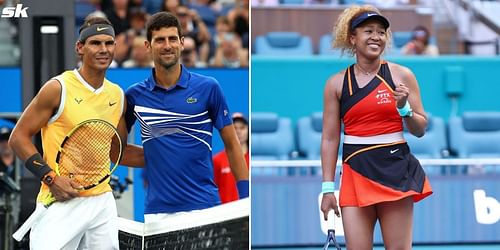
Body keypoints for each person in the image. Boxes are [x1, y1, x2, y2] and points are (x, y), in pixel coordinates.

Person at [8, 15, 143, 249]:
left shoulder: (117, 95)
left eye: (109, 43)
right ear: (80, 48)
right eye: (96, 43)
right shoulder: (57, 88)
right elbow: (18, 138)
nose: (104, 49)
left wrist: (170, 155)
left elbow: (115, 153)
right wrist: (51, 179)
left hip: (101, 203)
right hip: (61, 201)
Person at [319, 5, 433, 250]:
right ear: (352, 38)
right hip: (355, 174)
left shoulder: (402, 75)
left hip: (396, 172)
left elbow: (420, 128)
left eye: (381, 32)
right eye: (368, 31)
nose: (376, 37)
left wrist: (404, 108)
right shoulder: (336, 84)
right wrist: (328, 189)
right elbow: (329, 139)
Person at [125, 12, 249, 223]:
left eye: (173, 39)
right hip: (158, 213)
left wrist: (246, 201)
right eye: (160, 40)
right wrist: (159, 157)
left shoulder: (208, 88)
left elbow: (232, 145)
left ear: (182, 43)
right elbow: (117, 152)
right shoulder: (134, 96)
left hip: (204, 208)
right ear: (148, 46)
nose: (167, 45)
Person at [213, 112, 249, 203]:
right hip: (226, 213)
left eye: (242, 128)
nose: (238, 131)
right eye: (235, 128)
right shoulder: (217, 160)